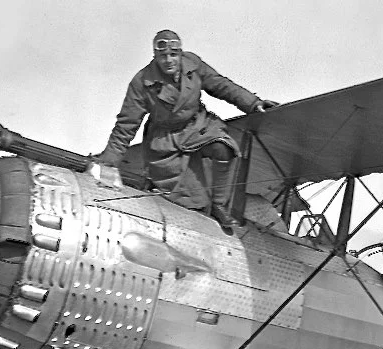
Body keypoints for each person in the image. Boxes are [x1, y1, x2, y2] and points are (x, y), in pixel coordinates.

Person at [91, 30, 278, 228]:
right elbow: (126, 125)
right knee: (190, 201)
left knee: (224, 149)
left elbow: (222, 85)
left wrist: (253, 103)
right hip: (165, 139)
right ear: (155, 57)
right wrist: (109, 161)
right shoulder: (142, 82)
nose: (169, 60)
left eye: (173, 55)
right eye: (163, 56)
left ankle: (220, 205)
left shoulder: (193, 64)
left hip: (197, 126)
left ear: (180, 53)